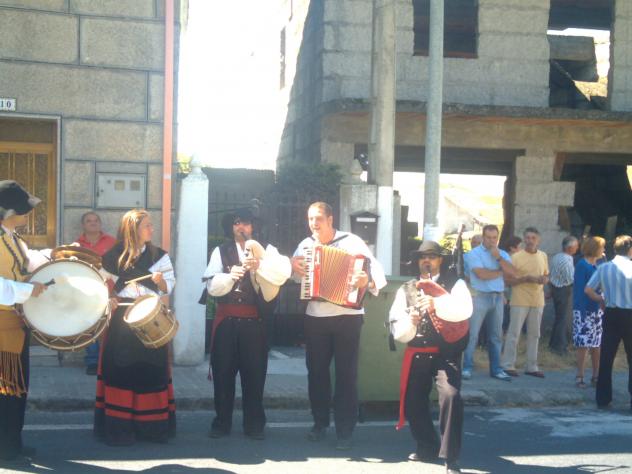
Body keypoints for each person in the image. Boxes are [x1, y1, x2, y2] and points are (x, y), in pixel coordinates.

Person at [291, 202, 386, 450]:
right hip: (316, 316)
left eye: (319, 218)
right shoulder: (305, 245)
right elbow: (294, 276)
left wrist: (366, 280)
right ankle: (320, 423)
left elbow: (377, 272)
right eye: (310, 219)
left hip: (348, 316)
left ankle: (345, 430)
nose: (314, 223)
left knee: (346, 374)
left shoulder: (352, 242)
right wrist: (294, 268)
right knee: (316, 373)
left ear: (330, 219)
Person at [203, 208, 290, 440]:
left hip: (254, 323)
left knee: (254, 375)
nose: (241, 227)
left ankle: (254, 425)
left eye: (246, 223)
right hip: (226, 323)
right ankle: (221, 423)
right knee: (222, 375)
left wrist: (259, 266)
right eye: (237, 223)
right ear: (231, 227)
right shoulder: (220, 251)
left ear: (253, 227)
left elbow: (282, 274)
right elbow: (211, 287)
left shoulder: (267, 250)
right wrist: (231, 276)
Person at [94, 209, 176, 446]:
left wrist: (161, 282)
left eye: (151, 225)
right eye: (147, 225)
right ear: (133, 229)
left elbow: (169, 286)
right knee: (121, 370)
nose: (152, 229)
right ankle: (119, 430)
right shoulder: (113, 257)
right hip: (122, 319)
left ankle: (152, 430)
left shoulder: (159, 256)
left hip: (152, 315)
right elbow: (98, 284)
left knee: (151, 369)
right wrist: (108, 298)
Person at [389, 240, 471, 474]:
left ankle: (451, 458)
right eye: (423, 257)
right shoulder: (406, 288)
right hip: (419, 352)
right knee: (413, 401)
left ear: (440, 260)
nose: (427, 260)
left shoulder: (456, 284)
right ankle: (427, 446)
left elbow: (465, 311)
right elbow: (396, 324)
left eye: (432, 256)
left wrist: (437, 303)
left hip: (447, 352)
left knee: (451, 396)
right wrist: (410, 322)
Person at [0, 180, 48, 462]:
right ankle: (5, 449)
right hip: (2, 328)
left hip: (14, 325)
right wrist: (27, 290)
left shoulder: (13, 237)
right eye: (23, 209)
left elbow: (27, 261)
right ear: (8, 212)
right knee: (6, 393)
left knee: (17, 391)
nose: (28, 214)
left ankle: (12, 443)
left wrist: (56, 255)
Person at [462, 224, 516, 381]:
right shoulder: (473, 254)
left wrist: (498, 258)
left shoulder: (502, 254)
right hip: (479, 296)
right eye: (488, 237)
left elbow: (513, 273)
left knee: (496, 336)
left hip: (497, 297)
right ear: (483, 237)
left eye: (494, 238)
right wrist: (501, 271)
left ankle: (496, 369)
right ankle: (467, 367)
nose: (492, 241)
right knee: (472, 335)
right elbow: (481, 275)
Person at [585, 235, 632, 410]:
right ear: (630, 250)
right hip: (630, 314)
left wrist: (602, 299)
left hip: (611, 314)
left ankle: (603, 398)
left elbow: (588, 289)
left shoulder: (604, 267)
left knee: (606, 357)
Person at [501, 227, 549, 378]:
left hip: (538, 300)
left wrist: (544, 279)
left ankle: (532, 366)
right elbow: (507, 280)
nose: (530, 241)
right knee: (514, 333)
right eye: (527, 238)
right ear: (524, 239)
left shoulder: (543, 256)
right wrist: (525, 279)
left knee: (535, 334)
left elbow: (546, 274)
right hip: (519, 299)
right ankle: (508, 364)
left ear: (538, 240)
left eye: (533, 238)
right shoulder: (515, 257)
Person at [75, 211, 116, 375]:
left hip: (110, 291)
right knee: (89, 326)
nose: (93, 223)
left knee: (109, 327)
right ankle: (92, 362)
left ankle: (107, 361)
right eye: (89, 221)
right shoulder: (76, 246)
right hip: (86, 293)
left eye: (96, 220)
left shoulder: (112, 242)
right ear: (83, 225)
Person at [572, 236, 606, 388]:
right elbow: (581, 290)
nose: (604, 250)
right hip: (584, 310)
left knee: (596, 345)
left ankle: (596, 375)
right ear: (595, 249)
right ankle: (580, 375)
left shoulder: (599, 265)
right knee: (583, 345)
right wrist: (582, 311)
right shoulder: (582, 265)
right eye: (602, 247)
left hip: (597, 310)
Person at [548, 235, 579, 355]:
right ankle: (560, 347)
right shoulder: (567, 260)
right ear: (570, 248)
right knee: (562, 318)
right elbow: (571, 278)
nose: (577, 248)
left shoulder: (557, 256)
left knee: (559, 317)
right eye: (576, 246)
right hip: (563, 289)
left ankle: (553, 343)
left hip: (555, 288)